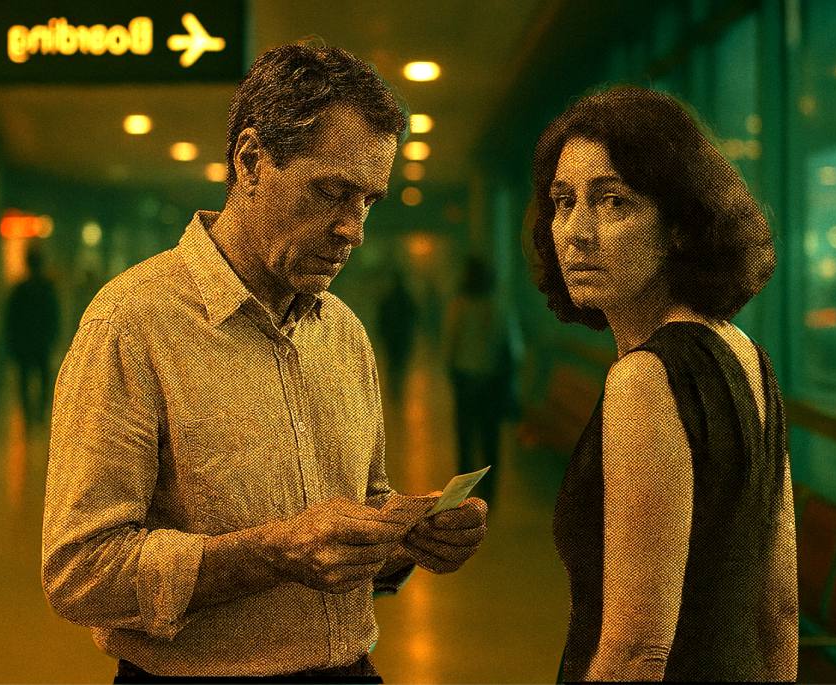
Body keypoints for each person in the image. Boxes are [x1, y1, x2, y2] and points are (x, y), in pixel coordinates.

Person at [42, 43, 488, 683]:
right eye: (332, 192)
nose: (353, 230)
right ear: (251, 160)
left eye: (368, 201)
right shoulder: (134, 323)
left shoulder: (343, 332)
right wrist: (270, 554)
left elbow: (359, 508)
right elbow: (80, 573)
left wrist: (408, 534)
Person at [530, 86, 797, 682]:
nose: (576, 231)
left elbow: (636, 654)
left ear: (679, 225)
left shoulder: (645, 379)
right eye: (563, 202)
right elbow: (778, 613)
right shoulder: (747, 357)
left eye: (613, 202)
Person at [443, 256, 511, 505]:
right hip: (491, 380)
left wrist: (451, 371)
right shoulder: (497, 306)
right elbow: (509, 343)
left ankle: (463, 491)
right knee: (490, 437)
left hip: (465, 377)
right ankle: (489, 491)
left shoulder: (459, 305)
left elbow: (450, 342)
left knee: (465, 436)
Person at [4, 245, 61, 427]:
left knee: (24, 379)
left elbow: (11, 319)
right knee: (44, 379)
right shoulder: (47, 288)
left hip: (23, 343)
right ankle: (40, 412)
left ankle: (28, 413)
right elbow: (53, 315)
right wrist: (53, 337)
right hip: (42, 342)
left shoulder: (19, 289)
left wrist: (11, 342)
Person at [376, 269, 418, 401]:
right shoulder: (407, 298)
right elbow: (413, 317)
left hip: (391, 338)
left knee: (392, 365)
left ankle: (392, 390)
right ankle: (398, 391)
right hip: (402, 337)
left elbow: (382, 319)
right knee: (400, 366)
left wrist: (382, 334)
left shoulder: (388, 299)